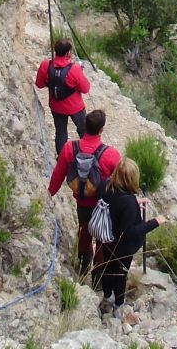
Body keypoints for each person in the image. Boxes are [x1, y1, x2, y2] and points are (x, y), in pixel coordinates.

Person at [48, 109, 121, 282]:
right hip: (103, 206)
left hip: (82, 202)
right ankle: (97, 279)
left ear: (84, 126)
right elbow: (120, 183)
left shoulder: (69, 148)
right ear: (101, 129)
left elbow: (58, 174)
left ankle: (82, 270)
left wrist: (49, 193)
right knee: (103, 240)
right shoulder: (111, 154)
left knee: (84, 234)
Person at [97, 159, 166, 315]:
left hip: (106, 237)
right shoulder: (127, 201)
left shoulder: (106, 186)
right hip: (121, 246)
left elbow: (114, 206)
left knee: (108, 268)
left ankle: (108, 297)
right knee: (121, 274)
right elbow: (130, 231)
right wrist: (155, 222)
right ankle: (119, 306)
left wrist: (135, 203)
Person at [35, 39, 91, 155]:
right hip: (75, 107)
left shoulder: (46, 65)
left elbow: (39, 84)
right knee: (83, 130)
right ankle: (87, 154)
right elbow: (85, 89)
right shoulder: (74, 69)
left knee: (60, 133)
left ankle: (61, 158)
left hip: (56, 106)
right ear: (68, 53)